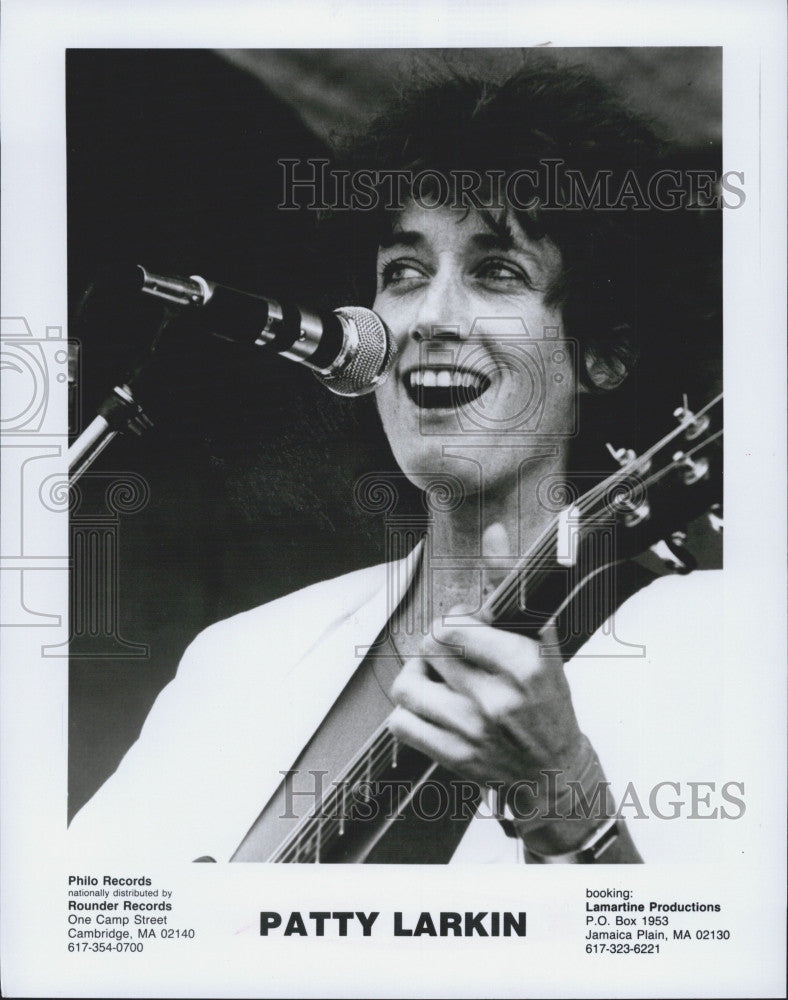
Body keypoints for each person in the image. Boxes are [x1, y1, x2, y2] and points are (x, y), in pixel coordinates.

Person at [69, 58, 726, 864]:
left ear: (606, 356)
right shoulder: (243, 656)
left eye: (497, 272)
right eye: (404, 273)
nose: (431, 317)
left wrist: (565, 799)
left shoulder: (720, 648)